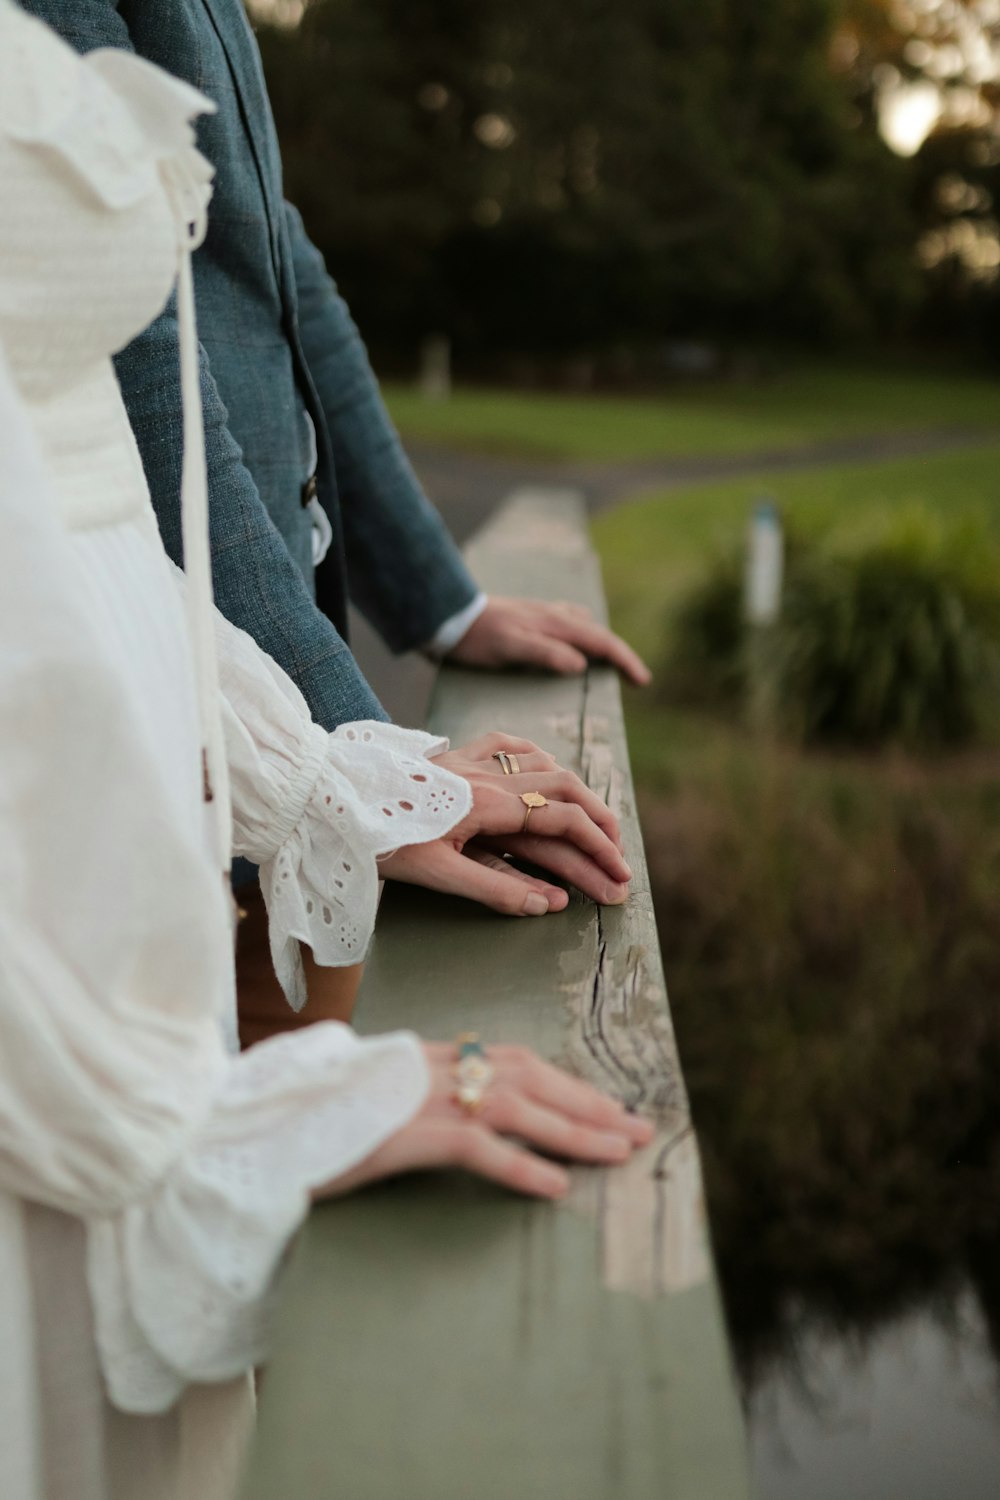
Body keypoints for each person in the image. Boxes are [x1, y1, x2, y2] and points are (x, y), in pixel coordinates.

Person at [0, 9, 654, 1500]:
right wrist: (174, 1131)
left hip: (215, 708)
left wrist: (357, 743)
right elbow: (142, 369)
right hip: (76, 930)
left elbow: (273, 270)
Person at [23, 0, 651, 1036]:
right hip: (162, 719)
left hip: (273, 732)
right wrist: (359, 771)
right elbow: (132, 344)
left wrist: (441, 600)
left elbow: (274, 258)